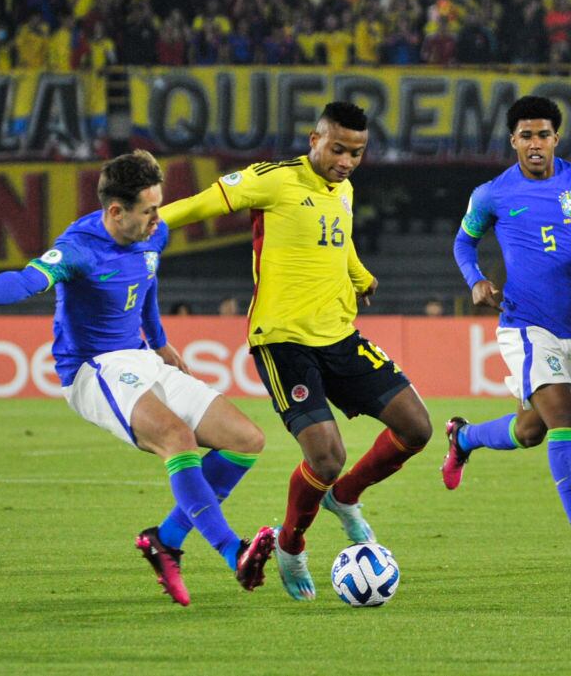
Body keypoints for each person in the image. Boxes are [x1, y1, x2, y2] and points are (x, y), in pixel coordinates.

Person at [0, 151, 274, 606]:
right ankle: (233, 551)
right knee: (177, 438)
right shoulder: (79, 248)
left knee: (246, 440)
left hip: (141, 357)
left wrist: (158, 338)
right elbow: (25, 282)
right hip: (94, 370)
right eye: (148, 210)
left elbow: (148, 283)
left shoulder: (156, 233)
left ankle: (165, 540)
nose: (158, 219)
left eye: (159, 207)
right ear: (115, 211)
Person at [158, 102, 433, 601]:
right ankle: (290, 544)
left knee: (416, 428)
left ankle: (346, 497)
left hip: (340, 335)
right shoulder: (274, 179)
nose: (346, 161)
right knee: (326, 457)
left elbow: (340, 241)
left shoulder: (344, 189)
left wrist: (360, 275)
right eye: (338, 149)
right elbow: (204, 203)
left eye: (356, 153)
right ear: (314, 139)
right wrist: (147, 226)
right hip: (283, 342)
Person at [443, 96, 571, 566]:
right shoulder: (492, 194)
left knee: (532, 431)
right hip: (523, 326)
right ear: (513, 141)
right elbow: (464, 242)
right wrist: (477, 281)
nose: (535, 144)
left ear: (555, 139)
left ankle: (463, 438)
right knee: (564, 417)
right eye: (525, 135)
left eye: (543, 135)